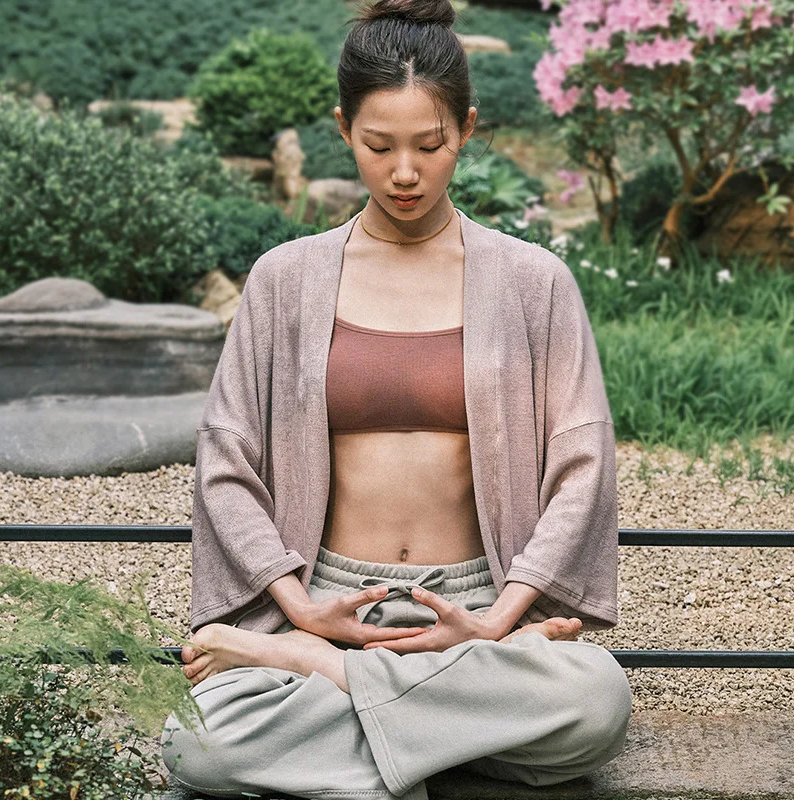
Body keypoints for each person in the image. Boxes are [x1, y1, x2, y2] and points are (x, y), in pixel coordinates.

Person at [160, 1, 632, 798]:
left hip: (476, 610)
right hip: (327, 598)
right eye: (379, 146)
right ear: (343, 129)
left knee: (595, 703)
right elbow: (226, 459)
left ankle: (323, 684)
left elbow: (583, 464)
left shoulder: (532, 280)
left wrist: (496, 618)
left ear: (469, 129)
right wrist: (300, 618)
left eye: (430, 145)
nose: (405, 172)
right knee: (195, 744)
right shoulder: (285, 278)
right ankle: (434, 725)